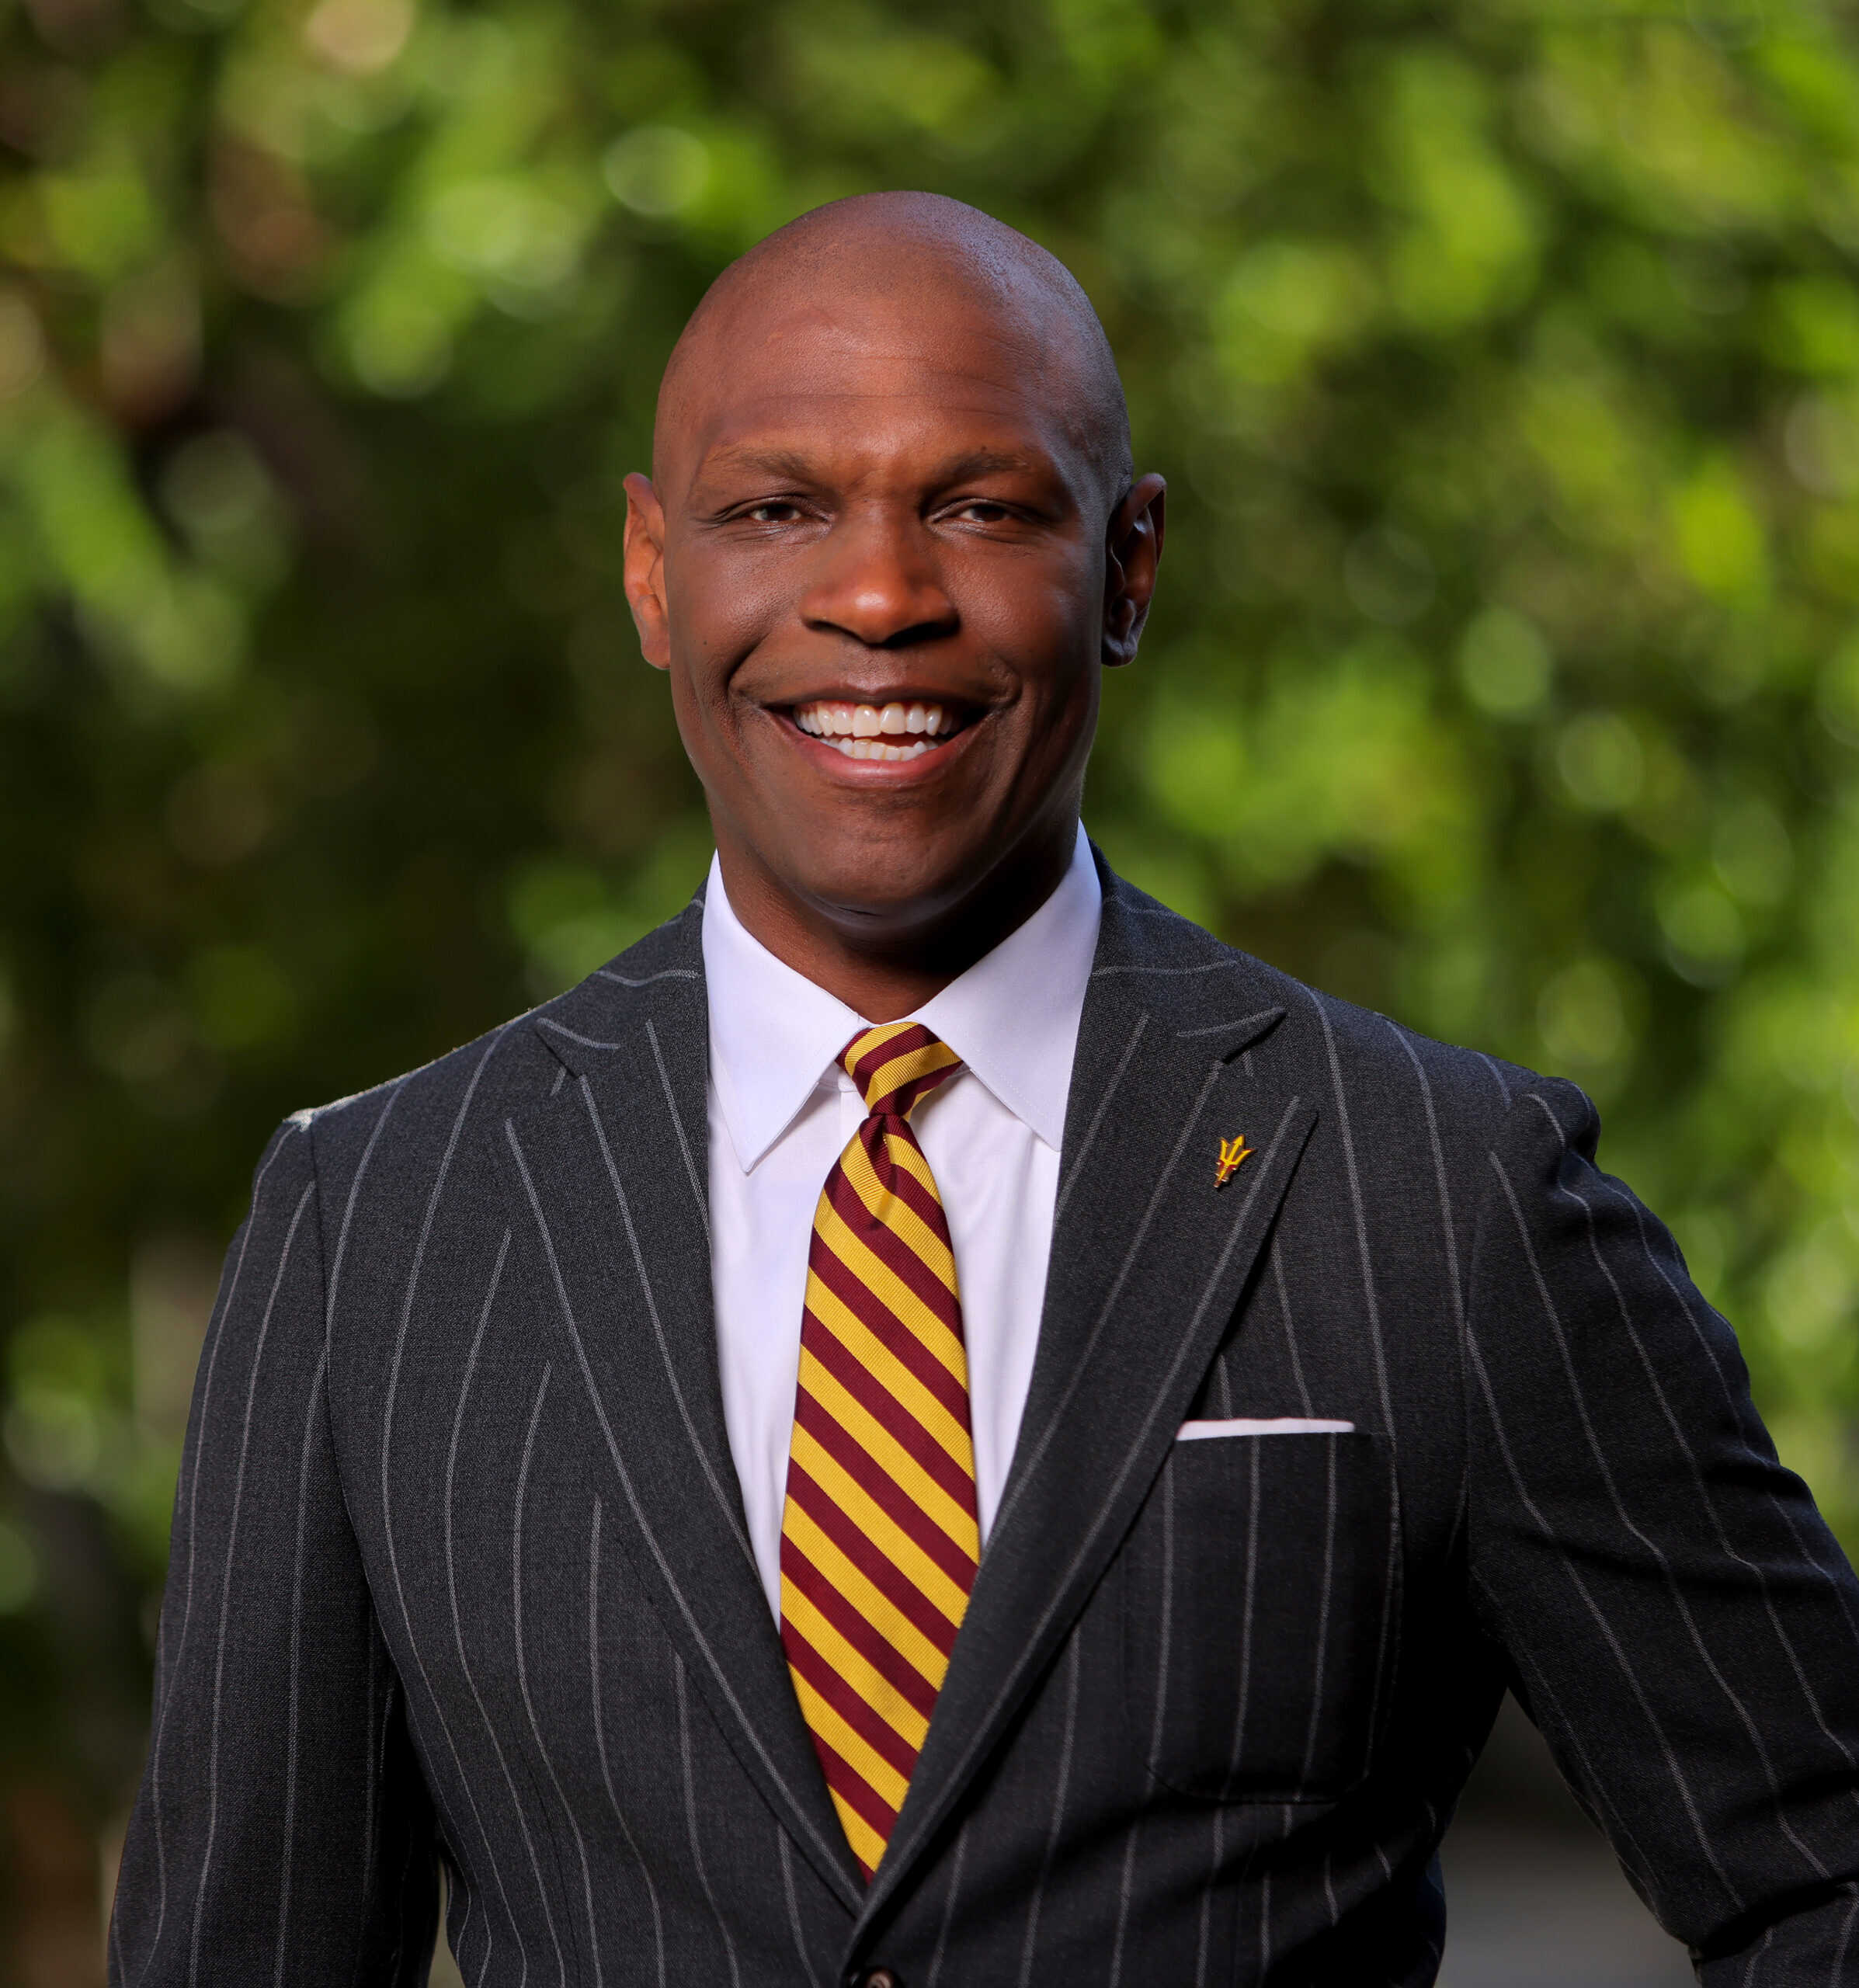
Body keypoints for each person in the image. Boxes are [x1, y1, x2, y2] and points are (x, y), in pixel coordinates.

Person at [109, 192, 1859, 1987]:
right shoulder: (379, 1224)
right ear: (650, 570)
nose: (878, 596)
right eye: (776, 509)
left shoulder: (1438, 1193)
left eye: (980, 507)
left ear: (1131, 563)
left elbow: (1825, 1875)